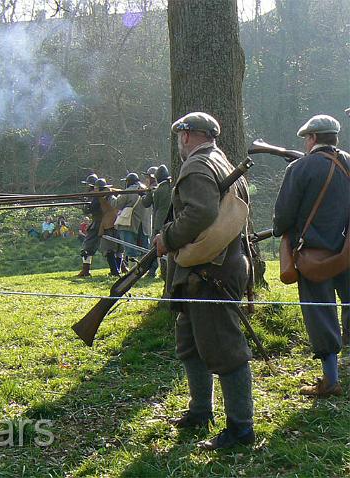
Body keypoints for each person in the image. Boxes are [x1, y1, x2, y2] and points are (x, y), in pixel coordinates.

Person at [156, 112, 254, 450]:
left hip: (210, 271)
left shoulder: (197, 166)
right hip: (208, 268)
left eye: (179, 136)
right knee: (191, 342)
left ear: (186, 136)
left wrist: (167, 237)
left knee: (224, 349)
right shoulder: (223, 163)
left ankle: (241, 429)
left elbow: (199, 214)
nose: (179, 142)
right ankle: (201, 411)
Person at [273, 114, 350, 396]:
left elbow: (282, 217)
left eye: (306, 138)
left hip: (313, 256)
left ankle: (330, 380)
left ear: (313, 138)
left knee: (320, 314)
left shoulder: (301, 168)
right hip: (347, 251)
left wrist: (280, 231)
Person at [142, 164, 173, 278]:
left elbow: (146, 203)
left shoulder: (156, 190)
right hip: (171, 221)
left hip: (159, 222)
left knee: (155, 248)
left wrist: (147, 191)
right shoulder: (171, 187)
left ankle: (151, 270)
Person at [110, 173, 144, 270]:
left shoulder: (128, 191)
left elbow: (116, 204)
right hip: (143, 224)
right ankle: (143, 269)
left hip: (129, 223)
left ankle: (133, 271)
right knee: (142, 248)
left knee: (130, 249)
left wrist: (111, 195)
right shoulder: (144, 188)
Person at [95, 178, 121, 276]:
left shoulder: (104, 197)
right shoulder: (111, 194)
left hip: (109, 225)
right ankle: (116, 270)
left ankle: (115, 271)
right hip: (117, 223)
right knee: (117, 249)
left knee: (109, 249)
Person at [77, 174, 102, 277]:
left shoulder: (94, 195)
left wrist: (84, 203)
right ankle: (120, 267)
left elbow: (88, 209)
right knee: (110, 248)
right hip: (101, 221)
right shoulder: (96, 194)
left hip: (97, 222)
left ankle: (85, 270)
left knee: (87, 247)